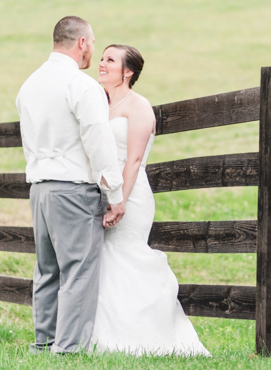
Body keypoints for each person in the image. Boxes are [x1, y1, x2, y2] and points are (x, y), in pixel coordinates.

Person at [90, 44, 211, 356]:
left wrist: (120, 201)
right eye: (102, 58)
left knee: (127, 258)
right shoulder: (97, 104)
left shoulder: (139, 106)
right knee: (105, 264)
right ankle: (105, 338)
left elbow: (133, 161)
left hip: (130, 195)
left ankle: (146, 338)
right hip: (98, 192)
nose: (102, 64)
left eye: (110, 60)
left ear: (128, 72)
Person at [16, 16, 125, 354]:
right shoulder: (80, 85)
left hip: (39, 188)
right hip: (73, 189)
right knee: (78, 270)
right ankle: (69, 349)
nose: (93, 49)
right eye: (93, 43)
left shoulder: (29, 84)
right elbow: (98, 140)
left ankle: (43, 343)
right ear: (81, 43)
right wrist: (115, 193)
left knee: (47, 270)